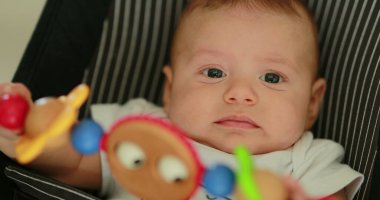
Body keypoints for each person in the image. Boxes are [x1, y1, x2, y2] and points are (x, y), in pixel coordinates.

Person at [0, 0, 363, 199]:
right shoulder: (145, 128)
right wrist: (31, 137)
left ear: (312, 104)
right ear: (170, 91)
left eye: (271, 77)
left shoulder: (307, 159)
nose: (239, 92)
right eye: (214, 72)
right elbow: (75, 164)